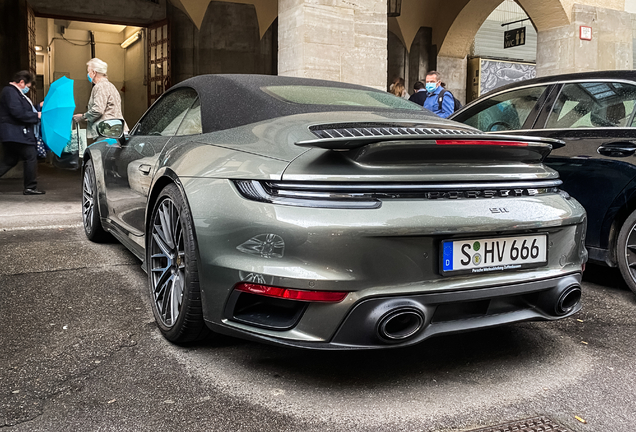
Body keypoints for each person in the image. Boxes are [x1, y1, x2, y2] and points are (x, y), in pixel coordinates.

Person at [0, 70, 44, 195]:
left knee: (10, 160)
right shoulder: (10, 92)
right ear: (21, 82)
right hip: (16, 133)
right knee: (30, 155)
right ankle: (30, 187)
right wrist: (37, 116)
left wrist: (38, 106)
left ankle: (30, 186)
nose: (28, 89)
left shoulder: (13, 92)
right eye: (28, 87)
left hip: (13, 133)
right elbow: (18, 112)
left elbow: (23, 110)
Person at [73, 58, 128, 142]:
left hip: (107, 131)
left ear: (94, 73)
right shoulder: (111, 86)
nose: (88, 74)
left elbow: (98, 110)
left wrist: (83, 116)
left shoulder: (100, 86)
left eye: (88, 71)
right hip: (117, 130)